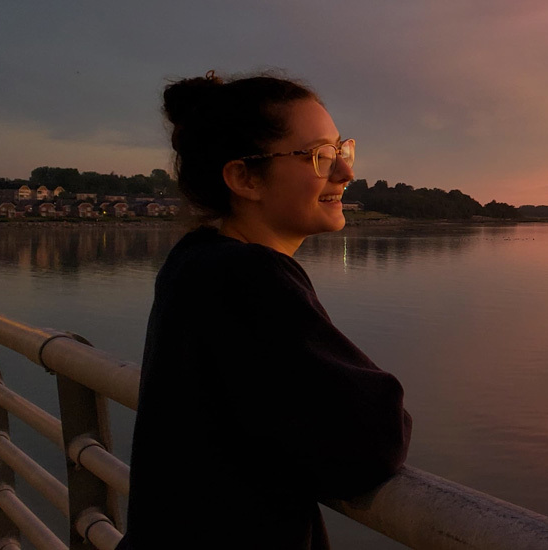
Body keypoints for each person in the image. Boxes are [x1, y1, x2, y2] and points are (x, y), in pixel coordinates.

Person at [116, 71, 412, 550]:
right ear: (245, 178)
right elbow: (371, 441)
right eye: (319, 156)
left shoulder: (194, 261)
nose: (345, 173)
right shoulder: (246, 277)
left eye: (341, 150)